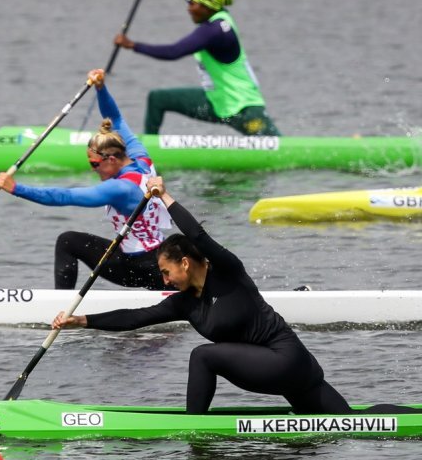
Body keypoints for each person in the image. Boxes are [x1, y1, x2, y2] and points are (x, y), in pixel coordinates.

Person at [52, 175, 415, 415]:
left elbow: (199, 236)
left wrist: (166, 197)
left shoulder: (226, 270)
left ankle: (192, 427)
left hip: (289, 360)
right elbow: (135, 317)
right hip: (289, 369)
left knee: (203, 355)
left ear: (185, 262)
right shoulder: (185, 302)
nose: (163, 278)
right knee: (351, 421)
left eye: (165, 271)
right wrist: (82, 321)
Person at [0, 68, 171, 291]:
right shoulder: (141, 158)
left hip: (142, 269)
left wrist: (17, 188)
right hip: (160, 259)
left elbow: (65, 196)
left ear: (113, 159)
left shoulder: (120, 188)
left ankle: (57, 306)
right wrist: (101, 88)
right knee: (69, 240)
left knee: (68, 241)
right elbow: (114, 118)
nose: (93, 169)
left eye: (95, 164)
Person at [114, 0, 281, 137]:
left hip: (244, 110)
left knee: (276, 146)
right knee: (157, 99)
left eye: (193, 4)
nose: (189, 7)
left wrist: (132, 45)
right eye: (190, 2)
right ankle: (147, 155)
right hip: (215, 104)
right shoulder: (214, 10)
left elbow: (173, 52)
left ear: (208, 6)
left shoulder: (215, 31)